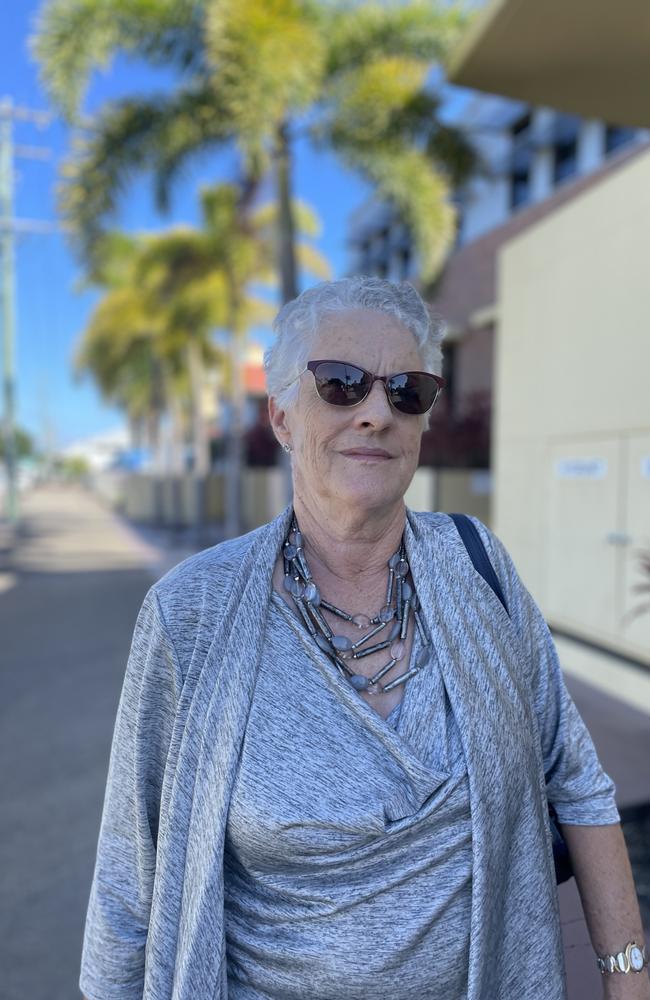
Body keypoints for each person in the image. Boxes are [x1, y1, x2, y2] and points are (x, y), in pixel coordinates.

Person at [79, 277, 649, 1000]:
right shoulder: (188, 614)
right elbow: (131, 877)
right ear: (281, 415)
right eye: (341, 384)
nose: (377, 412)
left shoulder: (481, 568)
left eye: (407, 390)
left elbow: (575, 781)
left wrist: (627, 977)